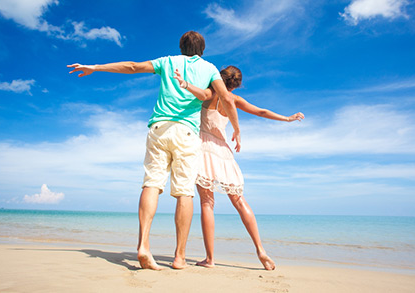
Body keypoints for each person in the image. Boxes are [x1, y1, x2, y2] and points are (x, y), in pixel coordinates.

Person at [67, 31, 241, 270]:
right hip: (187, 133)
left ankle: (144, 246)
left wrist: (95, 67)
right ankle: (179, 257)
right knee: (184, 193)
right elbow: (227, 99)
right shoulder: (210, 68)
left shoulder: (167, 61)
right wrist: (237, 130)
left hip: (158, 128)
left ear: (181, 47)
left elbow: (132, 66)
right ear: (202, 49)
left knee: (151, 184)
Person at [174, 65, 304, 270]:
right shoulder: (233, 100)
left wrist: (185, 83)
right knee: (240, 201)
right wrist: (287, 118)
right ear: (236, 85)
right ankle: (260, 249)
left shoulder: (208, 94)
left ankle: (210, 258)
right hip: (224, 153)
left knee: (207, 203)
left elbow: (192, 96)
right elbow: (261, 111)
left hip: (203, 149)